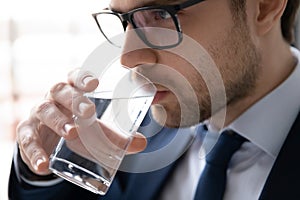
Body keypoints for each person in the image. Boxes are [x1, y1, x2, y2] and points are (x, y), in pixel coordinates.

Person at [8, 0, 300, 199]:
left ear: (264, 7)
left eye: (160, 14)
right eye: (124, 21)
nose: (127, 58)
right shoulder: (128, 134)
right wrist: (42, 171)